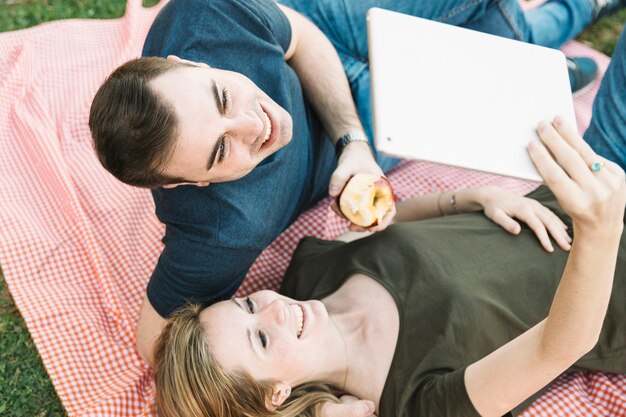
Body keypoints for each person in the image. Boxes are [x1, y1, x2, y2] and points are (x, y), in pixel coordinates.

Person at [88, 0, 626, 369]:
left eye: (222, 98)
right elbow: (155, 345)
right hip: (370, 116)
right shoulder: (220, 232)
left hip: (329, 44)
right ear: (190, 184)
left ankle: (545, 64)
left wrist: (353, 144)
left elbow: (299, 37)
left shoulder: (207, 16)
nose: (258, 124)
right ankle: (560, 45)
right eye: (221, 151)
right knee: (492, 49)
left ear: (186, 62)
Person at [152, 117, 626, 417]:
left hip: (582, 186)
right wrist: (600, 230)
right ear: (274, 396)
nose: (274, 309)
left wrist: (473, 197)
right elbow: (558, 346)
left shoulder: (308, 274)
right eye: (260, 338)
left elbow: (390, 221)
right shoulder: (415, 404)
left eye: (249, 304)